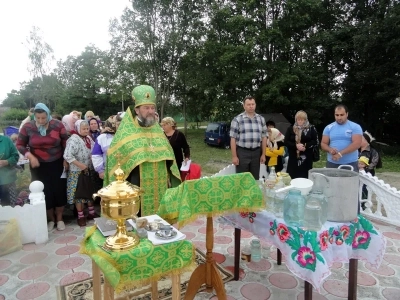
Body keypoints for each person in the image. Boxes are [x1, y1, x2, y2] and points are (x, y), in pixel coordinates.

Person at [104, 85, 181, 217]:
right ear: (137, 110)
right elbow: (115, 160)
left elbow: (170, 159)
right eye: (146, 108)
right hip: (136, 188)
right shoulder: (126, 133)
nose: (150, 111)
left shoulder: (158, 131)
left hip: (161, 188)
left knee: (160, 224)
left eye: (152, 108)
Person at [17, 103, 69, 231]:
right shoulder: (28, 127)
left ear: (48, 115)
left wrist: (66, 159)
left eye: (43, 118)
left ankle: (60, 218)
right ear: (34, 116)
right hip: (37, 165)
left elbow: (66, 142)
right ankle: (51, 219)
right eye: (38, 118)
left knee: (59, 190)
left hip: (57, 163)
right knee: (43, 191)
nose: (41, 120)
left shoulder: (57, 125)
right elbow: (20, 144)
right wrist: (30, 156)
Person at [64, 120, 98, 226]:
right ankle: (80, 216)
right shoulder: (73, 140)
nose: (86, 130)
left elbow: (93, 150)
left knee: (89, 191)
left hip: (88, 170)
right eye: (83, 129)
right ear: (78, 129)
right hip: (77, 171)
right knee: (79, 194)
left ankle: (92, 213)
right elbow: (68, 155)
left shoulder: (88, 139)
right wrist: (81, 165)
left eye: (87, 128)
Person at [229, 96, 267, 179]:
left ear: (255, 105)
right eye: (248, 104)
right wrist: (234, 156)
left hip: (256, 152)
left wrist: (263, 154)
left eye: (253, 104)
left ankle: (253, 192)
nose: (251, 106)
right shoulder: (237, 120)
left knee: (255, 178)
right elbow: (233, 138)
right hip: (242, 152)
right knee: (242, 178)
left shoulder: (261, 119)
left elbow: (264, 137)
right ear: (244, 106)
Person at [321, 105, 363, 171]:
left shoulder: (355, 127)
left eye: (341, 115)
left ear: (347, 114)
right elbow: (323, 144)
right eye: (337, 115)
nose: (339, 117)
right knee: (332, 181)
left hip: (350, 163)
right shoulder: (328, 127)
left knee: (350, 181)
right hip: (332, 162)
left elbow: (357, 144)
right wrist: (330, 150)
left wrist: (340, 154)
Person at [285, 110, 319, 179]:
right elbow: (286, 142)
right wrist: (296, 146)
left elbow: (315, 141)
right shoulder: (291, 128)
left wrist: (305, 145)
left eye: (302, 120)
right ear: (296, 119)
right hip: (293, 157)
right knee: (293, 176)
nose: (300, 121)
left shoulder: (311, 128)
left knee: (305, 176)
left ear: (305, 120)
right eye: (298, 119)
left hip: (306, 157)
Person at [91, 115, 122, 182]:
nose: (120, 126)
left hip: (125, 171)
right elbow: (96, 155)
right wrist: (100, 170)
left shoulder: (126, 137)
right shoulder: (102, 138)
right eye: (118, 124)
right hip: (108, 171)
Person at [0, 135, 20, 207]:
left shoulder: (6, 140)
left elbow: (15, 156)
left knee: (10, 207)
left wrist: (7, 162)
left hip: (7, 181)